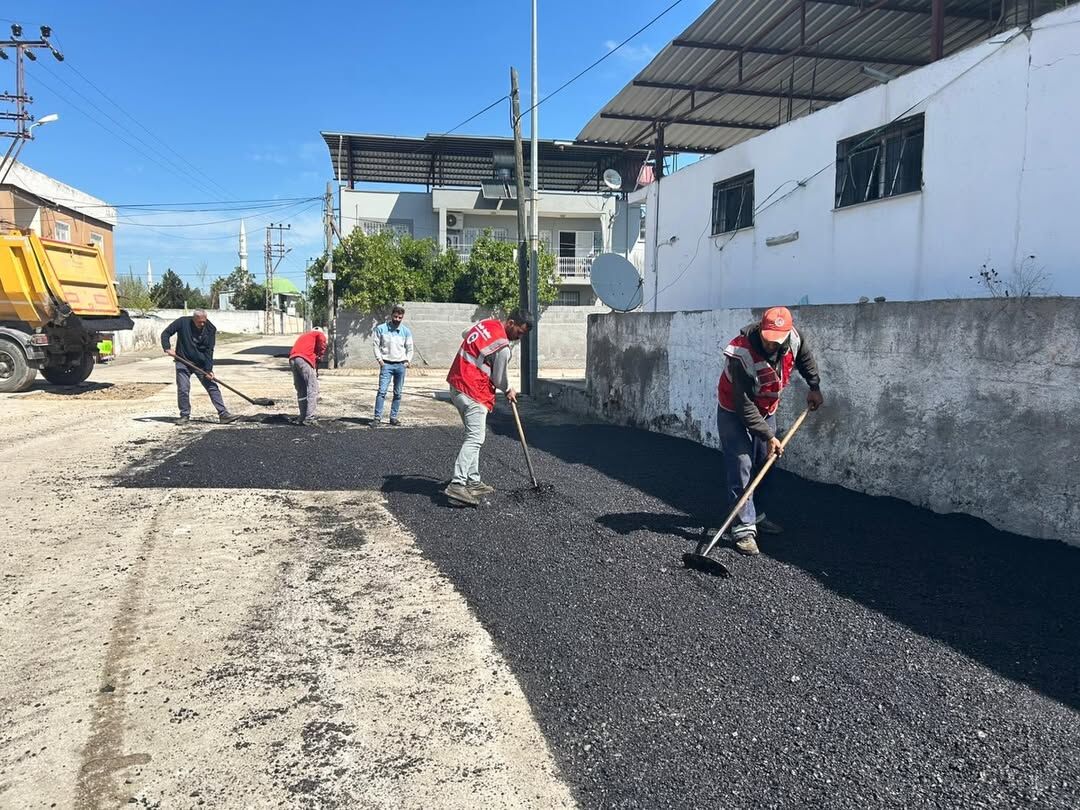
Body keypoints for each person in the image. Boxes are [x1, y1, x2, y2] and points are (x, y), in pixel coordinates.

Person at [716, 306, 823, 555]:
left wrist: (814, 386)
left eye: (776, 341)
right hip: (733, 409)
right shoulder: (741, 353)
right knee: (741, 463)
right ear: (761, 329)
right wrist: (769, 435)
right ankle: (743, 528)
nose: (770, 344)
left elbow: (805, 358)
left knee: (766, 461)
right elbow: (744, 406)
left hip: (766, 408)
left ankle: (756, 514)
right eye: (767, 339)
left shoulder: (794, 339)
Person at [444, 308, 534, 506]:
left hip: (456, 385)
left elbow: (466, 334)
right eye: (519, 332)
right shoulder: (503, 347)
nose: (519, 338)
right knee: (476, 438)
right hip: (473, 391)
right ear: (511, 323)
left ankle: (473, 481)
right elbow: (499, 379)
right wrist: (509, 389)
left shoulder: (486, 324)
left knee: (473, 434)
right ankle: (457, 484)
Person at [161, 309, 239, 425]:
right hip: (183, 361)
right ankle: (184, 415)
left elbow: (209, 350)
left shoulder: (210, 329)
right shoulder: (182, 322)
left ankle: (223, 414)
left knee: (212, 386)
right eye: (199, 322)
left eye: (204, 321)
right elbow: (166, 333)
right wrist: (167, 347)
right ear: (194, 319)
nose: (202, 324)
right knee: (183, 388)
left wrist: (209, 369)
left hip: (201, 363)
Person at [371, 305, 414, 427]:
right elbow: (375, 345)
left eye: (400, 317)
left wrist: (407, 361)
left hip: (400, 365)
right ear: (391, 316)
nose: (397, 319)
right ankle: (377, 418)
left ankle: (393, 417)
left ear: (402, 317)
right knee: (382, 391)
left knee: (398, 393)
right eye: (395, 317)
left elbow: (410, 348)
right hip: (386, 365)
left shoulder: (406, 331)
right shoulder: (381, 329)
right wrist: (380, 360)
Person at [289, 327, 328, 425]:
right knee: (313, 388)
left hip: (293, 359)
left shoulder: (304, 336)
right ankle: (310, 418)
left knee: (301, 389)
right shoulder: (318, 334)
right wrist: (320, 355)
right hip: (303, 359)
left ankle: (302, 417)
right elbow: (322, 342)